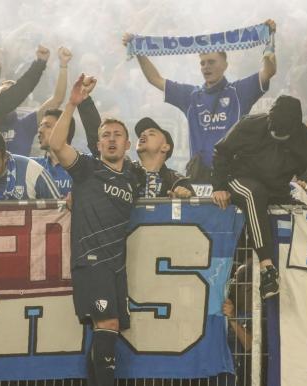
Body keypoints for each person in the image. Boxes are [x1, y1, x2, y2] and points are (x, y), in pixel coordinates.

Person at [211, 95, 307, 299]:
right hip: (239, 179)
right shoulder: (250, 124)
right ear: (269, 119)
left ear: (294, 128)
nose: (277, 135)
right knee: (253, 193)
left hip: (276, 189)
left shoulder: (306, 139)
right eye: (274, 131)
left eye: (283, 135)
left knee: (300, 214)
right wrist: (219, 186)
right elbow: (221, 152)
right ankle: (268, 269)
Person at [49, 74, 135, 386]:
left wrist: (179, 186)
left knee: (107, 332)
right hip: (91, 260)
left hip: (116, 267)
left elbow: (167, 176)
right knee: (107, 324)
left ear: (128, 144)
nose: (111, 138)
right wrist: (72, 104)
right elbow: (56, 144)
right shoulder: (87, 169)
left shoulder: (133, 176)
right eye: (106, 135)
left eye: (117, 135)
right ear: (98, 144)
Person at [123, 20, 277, 182]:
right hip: (199, 175)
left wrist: (269, 38)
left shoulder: (239, 91)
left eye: (211, 62)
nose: (206, 67)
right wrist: (139, 49)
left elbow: (269, 71)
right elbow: (155, 79)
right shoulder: (191, 96)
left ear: (225, 64)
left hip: (232, 173)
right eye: (202, 63)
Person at [76, 80, 195, 198]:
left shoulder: (177, 182)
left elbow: (198, 212)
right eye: (141, 134)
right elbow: (101, 143)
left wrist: (183, 200)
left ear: (165, 147)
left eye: (151, 133)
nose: (143, 135)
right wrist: (85, 100)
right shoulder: (125, 170)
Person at [0, 47, 72, 156]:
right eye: (2, 94)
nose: (7, 100)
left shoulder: (25, 124)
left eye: (11, 96)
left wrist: (63, 65)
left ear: (18, 102)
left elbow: (57, 99)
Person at [31, 109, 77, 197]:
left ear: (64, 131)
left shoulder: (83, 165)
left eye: (47, 126)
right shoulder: (33, 166)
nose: (40, 130)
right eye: (40, 126)